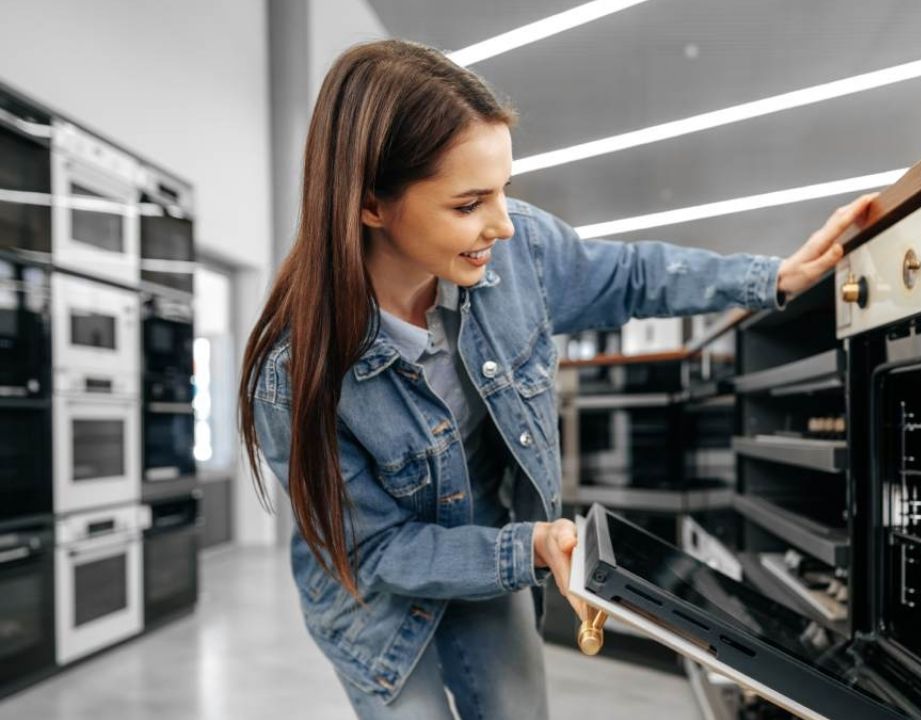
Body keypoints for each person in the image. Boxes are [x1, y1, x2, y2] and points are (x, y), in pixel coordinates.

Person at [238, 38, 877, 720]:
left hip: (492, 541)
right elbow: (381, 548)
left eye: (504, 191)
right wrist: (534, 546)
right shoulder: (292, 375)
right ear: (370, 205)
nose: (504, 226)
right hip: (374, 600)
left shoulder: (523, 254)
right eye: (467, 204)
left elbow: (635, 276)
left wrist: (772, 278)